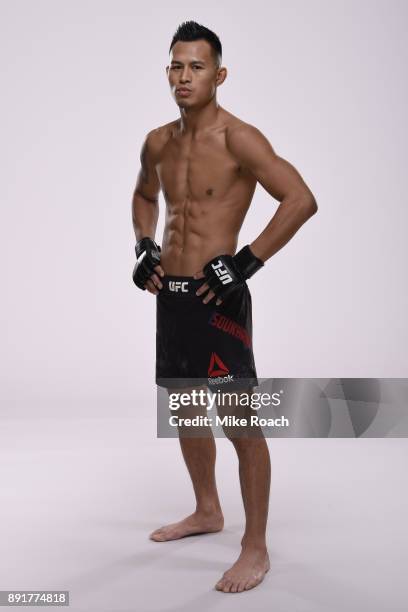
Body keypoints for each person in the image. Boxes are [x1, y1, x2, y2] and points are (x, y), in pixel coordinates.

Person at [131, 20, 318, 593]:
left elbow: (300, 198)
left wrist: (245, 263)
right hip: (174, 298)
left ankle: (254, 546)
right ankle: (207, 510)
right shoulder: (159, 140)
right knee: (185, 411)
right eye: (176, 66)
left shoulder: (240, 138)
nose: (183, 76)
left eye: (196, 66)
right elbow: (144, 195)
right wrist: (144, 247)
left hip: (220, 300)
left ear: (220, 74)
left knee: (239, 422)